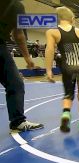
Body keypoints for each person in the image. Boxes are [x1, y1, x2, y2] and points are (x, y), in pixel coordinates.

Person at [0, 0, 44, 133]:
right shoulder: (16, 5)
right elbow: (18, 35)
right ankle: (17, 121)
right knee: (15, 83)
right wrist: (27, 58)